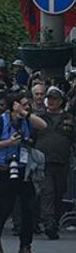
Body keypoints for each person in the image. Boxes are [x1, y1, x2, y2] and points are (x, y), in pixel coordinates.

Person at [0, 90, 47, 253]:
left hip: (24, 170)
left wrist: (25, 113)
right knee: (4, 208)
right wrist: (8, 143)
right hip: (5, 169)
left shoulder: (26, 120)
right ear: (14, 105)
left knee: (29, 207)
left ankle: (25, 245)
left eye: (28, 104)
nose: (28, 107)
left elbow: (43, 125)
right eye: (24, 104)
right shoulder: (0, 121)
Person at [36, 87, 74, 240]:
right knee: (48, 192)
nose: (51, 101)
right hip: (44, 163)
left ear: (60, 101)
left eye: (54, 99)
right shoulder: (40, 118)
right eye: (49, 98)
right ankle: (49, 223)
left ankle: (55, 221)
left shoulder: (69, 119)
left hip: (62, 162)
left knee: (59, 192)